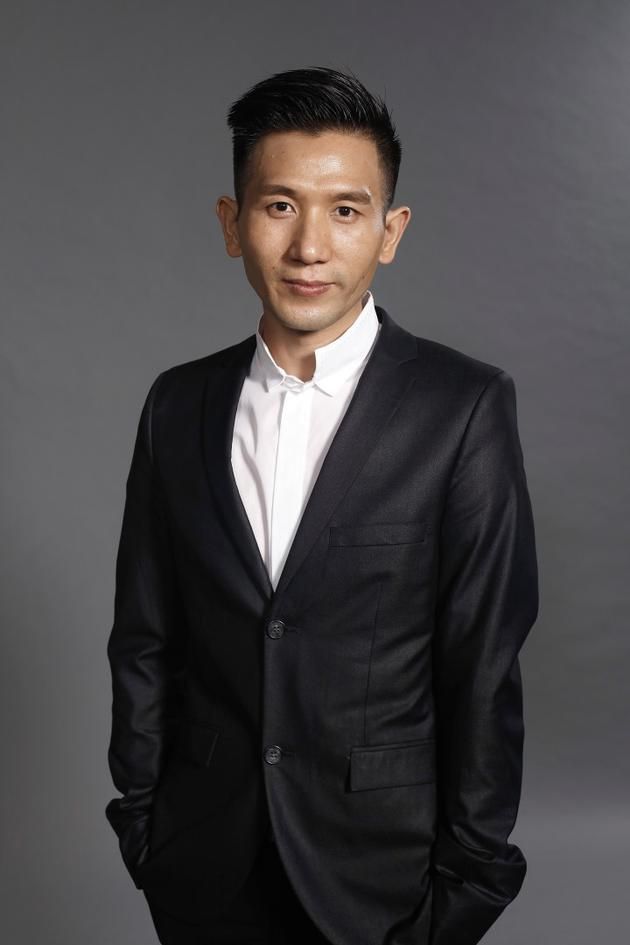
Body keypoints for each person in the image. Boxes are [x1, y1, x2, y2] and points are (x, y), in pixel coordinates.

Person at [105, 66, 539, 945]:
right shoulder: (177, 404)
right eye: (279, 206)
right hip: (202, 866)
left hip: (384, 876)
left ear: (390, 231)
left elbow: (483, 665)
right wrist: (143, 823)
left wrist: (468, 880)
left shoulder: (462, 407)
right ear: (232, 223)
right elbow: (146, 638)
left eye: (345, 210)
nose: (310, 246)